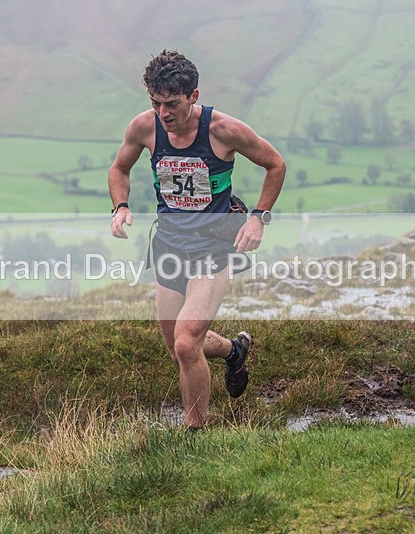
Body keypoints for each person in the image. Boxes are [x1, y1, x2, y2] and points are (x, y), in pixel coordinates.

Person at [108, 50, 285, 429]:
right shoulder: (145, 127)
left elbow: (275, 164)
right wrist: (120, 206)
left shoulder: (223, 130)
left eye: (172, 104)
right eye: (155, 103)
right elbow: (119, 167)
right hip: (170, 246)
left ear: (194, 95)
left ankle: (195, 433)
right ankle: (234, 351)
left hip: (212, 248)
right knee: (177, 348)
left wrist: (258, 218)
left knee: (187, 343)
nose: (163, 113)